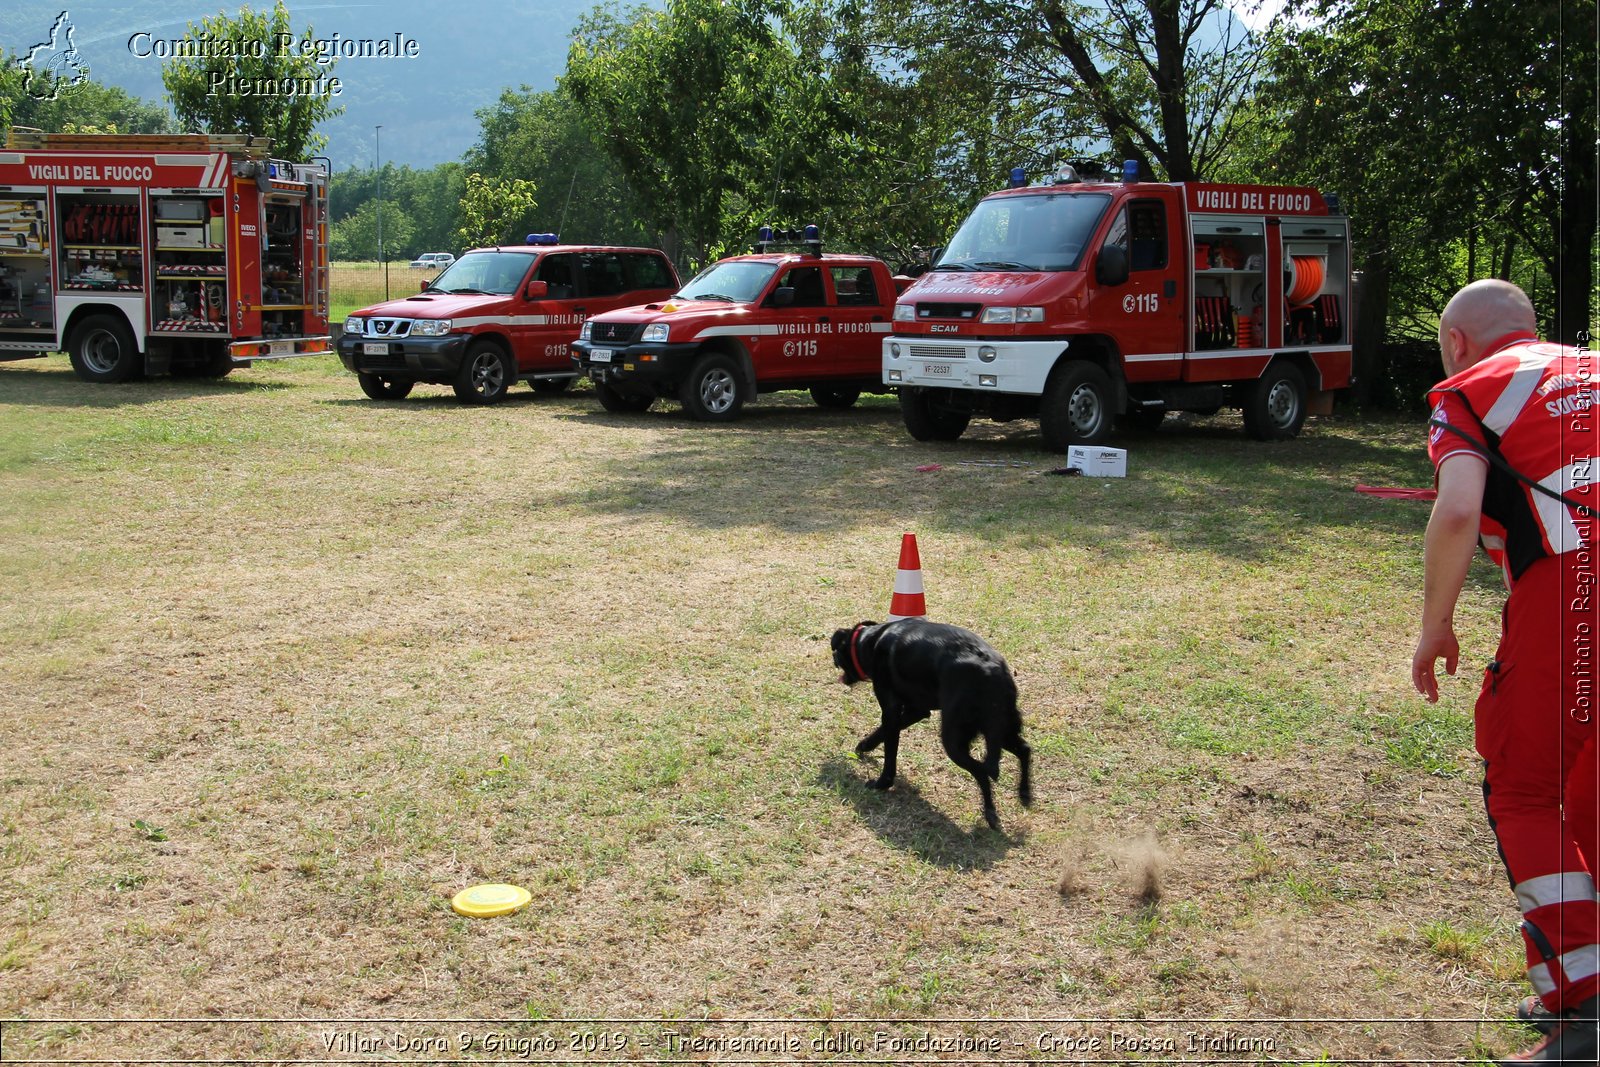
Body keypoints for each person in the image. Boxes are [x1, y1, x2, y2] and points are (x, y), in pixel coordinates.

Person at [1411, 279, 1600, 1063]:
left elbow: (1458, 509)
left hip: (1573, 593)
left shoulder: (1467, 393)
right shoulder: (1592, 367)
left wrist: (1434, 626)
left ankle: (1586, 1009)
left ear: (1457, 342)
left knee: (1524, 788)